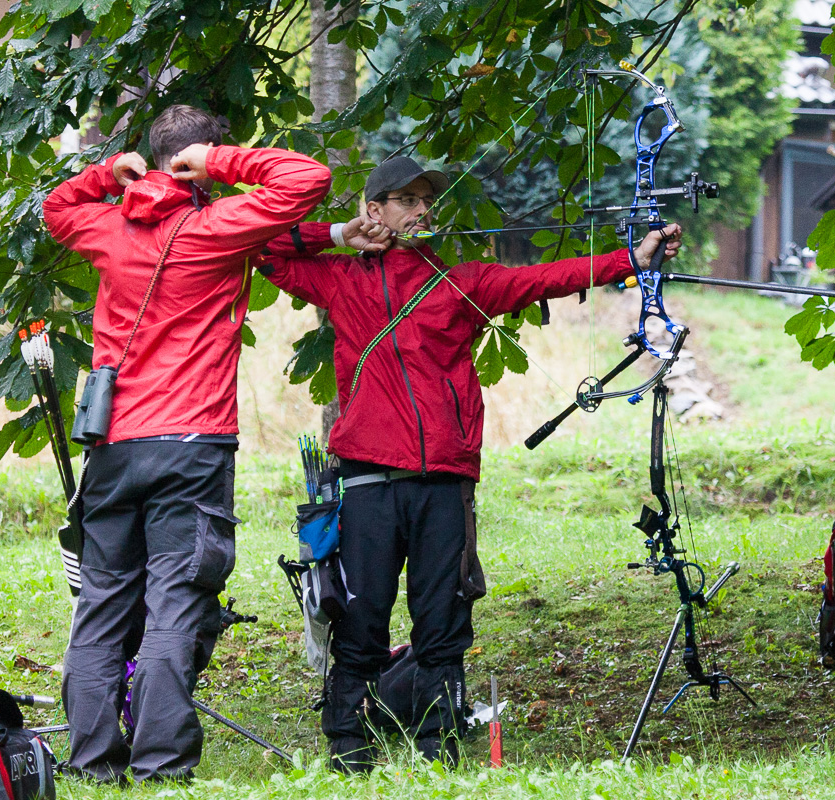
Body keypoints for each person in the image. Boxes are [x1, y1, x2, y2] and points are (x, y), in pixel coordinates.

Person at [259, 155, 682, 772]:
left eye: (425, 200)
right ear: (374, 211)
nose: (422, 210)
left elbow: (543, 278)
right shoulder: (340, 279)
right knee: (359, 616)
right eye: (406, 200)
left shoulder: (460, 282)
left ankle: (438, 746)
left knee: (443, 618)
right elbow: (262, 244)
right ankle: (349, 747)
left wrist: (632, 261)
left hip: (443, 480)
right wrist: (337, 235)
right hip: (368, 479)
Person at [42, 104, 332, 784]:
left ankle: (92, 762)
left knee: (103, 602)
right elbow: (306, 178)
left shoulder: (108, 226)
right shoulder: (216, 226)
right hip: (192, 445)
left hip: (114, 447)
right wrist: (221, 163)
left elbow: (57, 208)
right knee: (176, 602)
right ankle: (161, 765)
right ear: (197, 161)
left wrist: (107, 175)